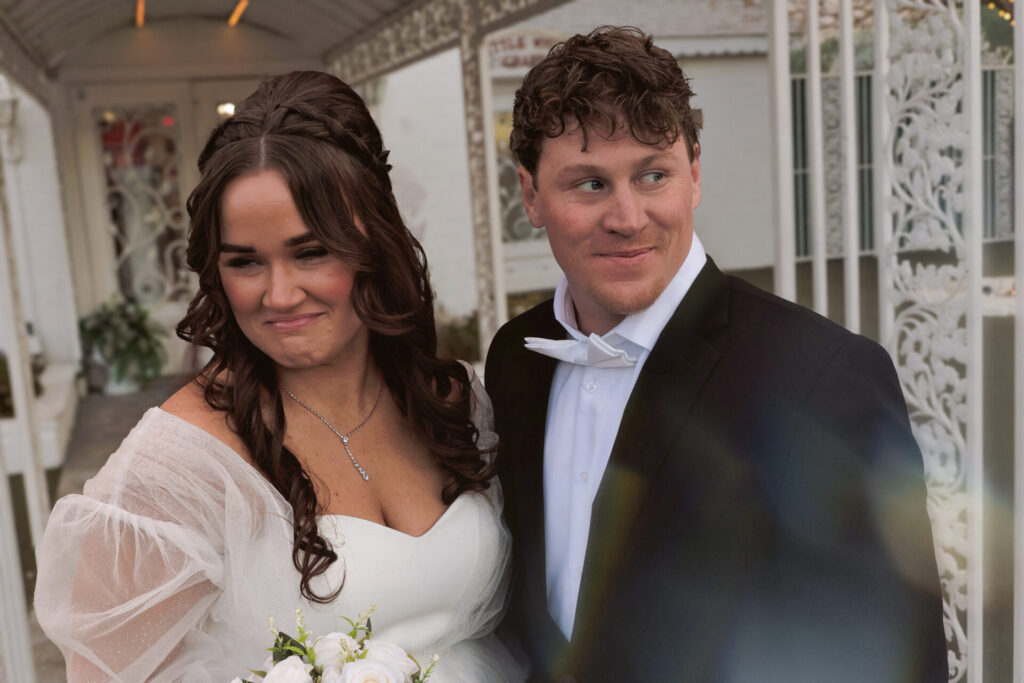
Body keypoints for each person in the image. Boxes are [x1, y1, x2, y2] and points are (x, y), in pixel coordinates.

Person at [485, 26, 947, 682]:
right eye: (589, 184)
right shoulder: (516, 358)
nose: (627, 216)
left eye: (653, 175)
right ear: (530, 195)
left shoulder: (826, 376)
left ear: (694, 174)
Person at [35, 71, 523, 682]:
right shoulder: (174, 471)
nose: (280, 294)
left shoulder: (454, 403)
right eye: (245, 262)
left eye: (311, 251)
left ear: (372, 244)